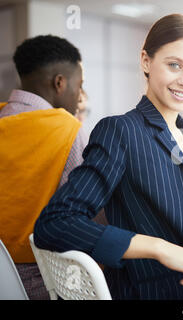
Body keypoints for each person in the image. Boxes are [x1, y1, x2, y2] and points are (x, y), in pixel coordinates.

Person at [33, 14, 183, 300]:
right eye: (174, 65)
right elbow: (55, 223)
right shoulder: (120, 131)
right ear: (146, 61)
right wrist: (160, 248)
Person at [0, 35, 87, 300]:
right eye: (79, 86)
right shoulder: (68, 130)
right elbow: (87, 215)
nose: (80, 98)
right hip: (46, 281)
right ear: (60, 83)